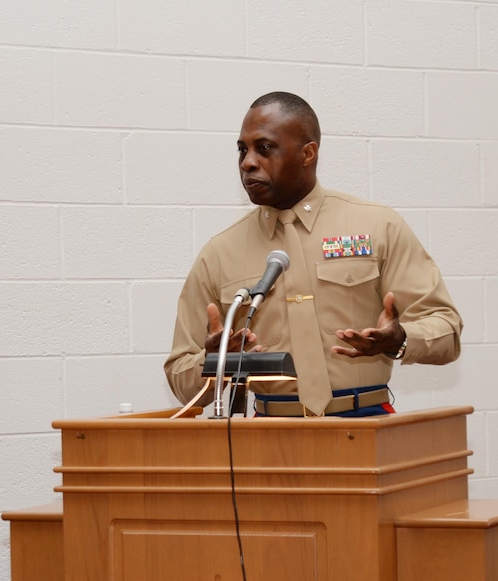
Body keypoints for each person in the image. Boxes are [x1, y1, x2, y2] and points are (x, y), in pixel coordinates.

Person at [164, 91, 462, 417]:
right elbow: (181, 377)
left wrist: (400, 340)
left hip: (365, 424)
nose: (248, 162)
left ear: (308, 153)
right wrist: (215, 360)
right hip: (269, 438)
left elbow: (445, 328)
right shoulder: (220, 252)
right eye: (242, 150)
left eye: (264, 148)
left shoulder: (378, 225)